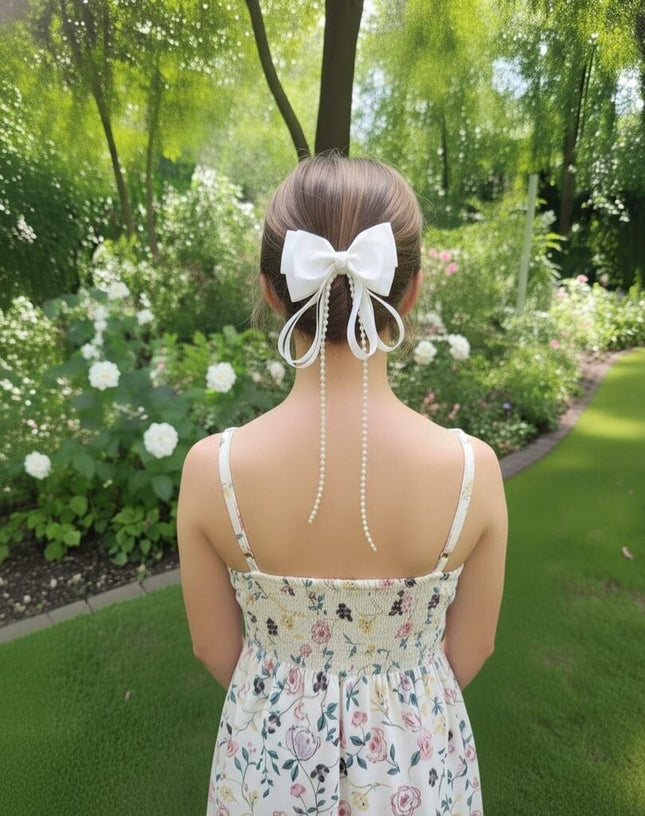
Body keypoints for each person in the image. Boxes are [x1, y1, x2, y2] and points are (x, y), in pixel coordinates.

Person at [178, 154, 507, 816]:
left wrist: (289, 695)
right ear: (408, 293)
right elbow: (472, 646)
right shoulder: (471, 470)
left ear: (273, 292)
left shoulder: (212, 469)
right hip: (416, 759)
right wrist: (391, 701)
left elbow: (214, 645)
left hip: (268, 760)